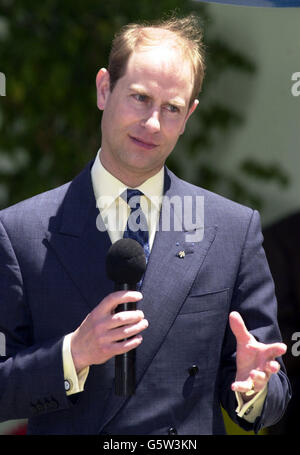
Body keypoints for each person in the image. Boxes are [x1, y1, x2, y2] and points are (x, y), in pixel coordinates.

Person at [0, 14, 290, 435]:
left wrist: (255, 387)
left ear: (188, 114)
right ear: (104, 88)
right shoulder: (20, 231)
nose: (153, 123)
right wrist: (73, 354)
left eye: (171, 108)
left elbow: (271, 385)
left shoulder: (232, 230)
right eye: (139, 98)